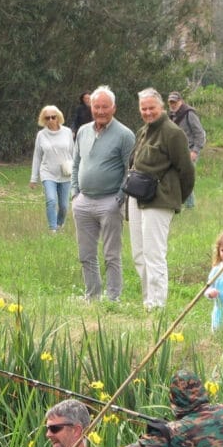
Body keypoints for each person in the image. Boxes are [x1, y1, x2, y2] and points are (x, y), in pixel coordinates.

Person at [125, 88, 195, 312]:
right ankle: (148, 302)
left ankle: (158, 306)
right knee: (139, 253)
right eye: (143, 108)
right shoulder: (142, 131)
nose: (147, 112)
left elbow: (187, 171)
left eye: (151, 108)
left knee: (154, 254)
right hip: (137, 196)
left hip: (159, 200)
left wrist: (175, 198)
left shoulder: (173, 133)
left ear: (161, 106)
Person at [71, 86, 135, 302]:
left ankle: (113, 298)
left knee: (111, 254)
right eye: (96, 107)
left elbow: (130, 170)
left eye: (105, 107)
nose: (100, 111)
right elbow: (76, 163)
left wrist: (119, 197)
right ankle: (92, 296)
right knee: (86, 254)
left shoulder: (125, 135)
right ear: (91, 107)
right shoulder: (83, 131)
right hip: (83, 201)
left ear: (113, 108)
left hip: (110, 202)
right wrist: (74, 192)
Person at [29, 105, 74, 231]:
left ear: (58, 118)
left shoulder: (67, 132)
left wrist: (77, 172)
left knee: (64, 206)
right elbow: (37, 156)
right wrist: (33, 178)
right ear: (43, 119)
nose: (50, 120)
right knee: (51, 200)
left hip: (65, 173)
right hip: (48, 172)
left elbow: (73, 152)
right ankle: (52, 229)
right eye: (47, 118)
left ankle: (59, 224)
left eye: (53, 117)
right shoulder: (41, 135)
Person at [167, 91, 206, 209]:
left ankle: (189, 206)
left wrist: (195, 151)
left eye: (175, 102)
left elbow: (200, 133)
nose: (173, 104)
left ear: (181, 101)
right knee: (174, 178)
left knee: (185, 179)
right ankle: (178, 204)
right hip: (176, 152)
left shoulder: (189, 113)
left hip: (189, 151)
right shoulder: (170, 115)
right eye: (171, 102)